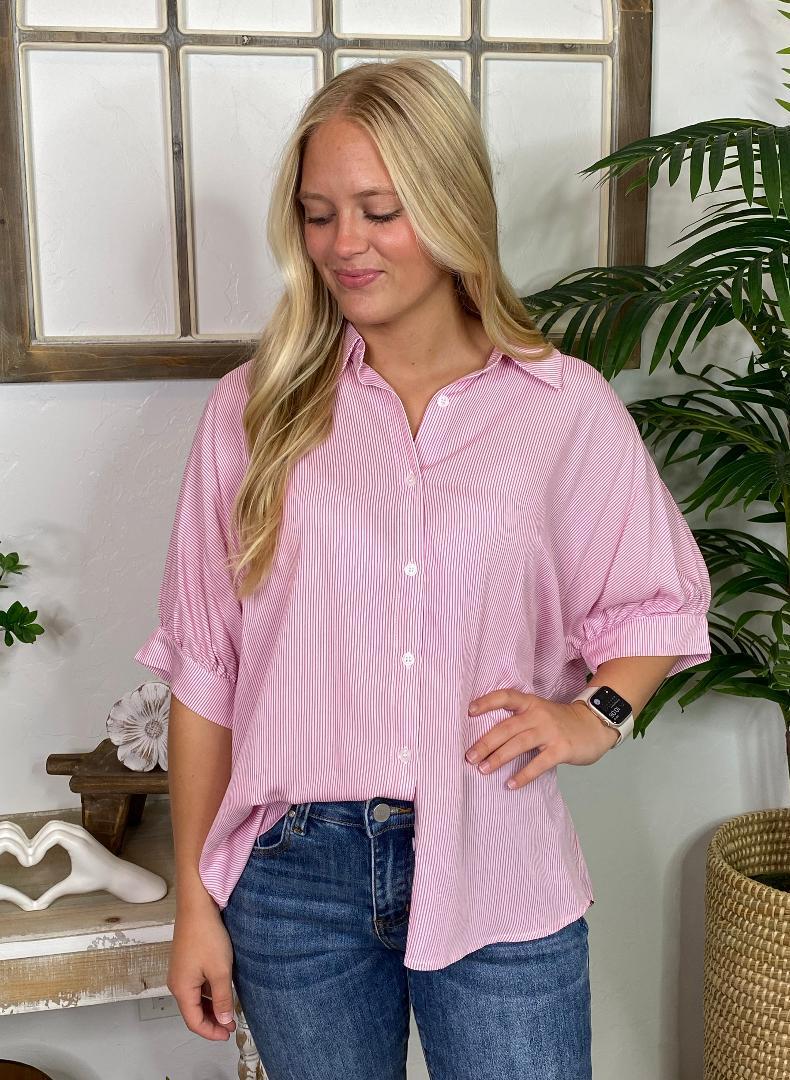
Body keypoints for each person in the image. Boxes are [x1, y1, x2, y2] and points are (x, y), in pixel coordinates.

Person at [134, 57, 712, 1080]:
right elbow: (206, 672)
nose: (343, 245)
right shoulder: (252, 411)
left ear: (451, 208)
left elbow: (655, 600)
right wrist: (194, 902)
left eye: (379, 211)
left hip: (497, 856)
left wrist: (592, 718)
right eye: (319, 215)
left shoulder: (560, 407)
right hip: (293, 881)